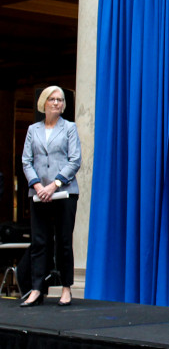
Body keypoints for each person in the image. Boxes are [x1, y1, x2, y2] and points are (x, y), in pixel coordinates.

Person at [20, 86, 81, 307]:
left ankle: (66, 288)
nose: (57, 103)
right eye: (53, 99)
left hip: (64, 193)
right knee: (39, 242)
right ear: (44, 103)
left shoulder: (69, 128)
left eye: (61, 100)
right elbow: (26, 160)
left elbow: (74, 160)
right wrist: (37, 185)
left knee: (64, 241)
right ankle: (36, 289)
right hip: (38, 194)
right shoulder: (32, 130)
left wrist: (54, 184)